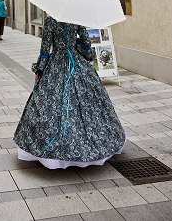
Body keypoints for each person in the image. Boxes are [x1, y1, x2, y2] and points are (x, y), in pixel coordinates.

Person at [13, 16, 126, 169]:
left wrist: (40, 69)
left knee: (52, 103)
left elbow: (45, 48)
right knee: (87, 104)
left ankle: (53, 153)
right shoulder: (76, 17)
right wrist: (83, 54)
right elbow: (86, 43)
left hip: (56, 63)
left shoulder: (51, 19)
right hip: (76, 61)